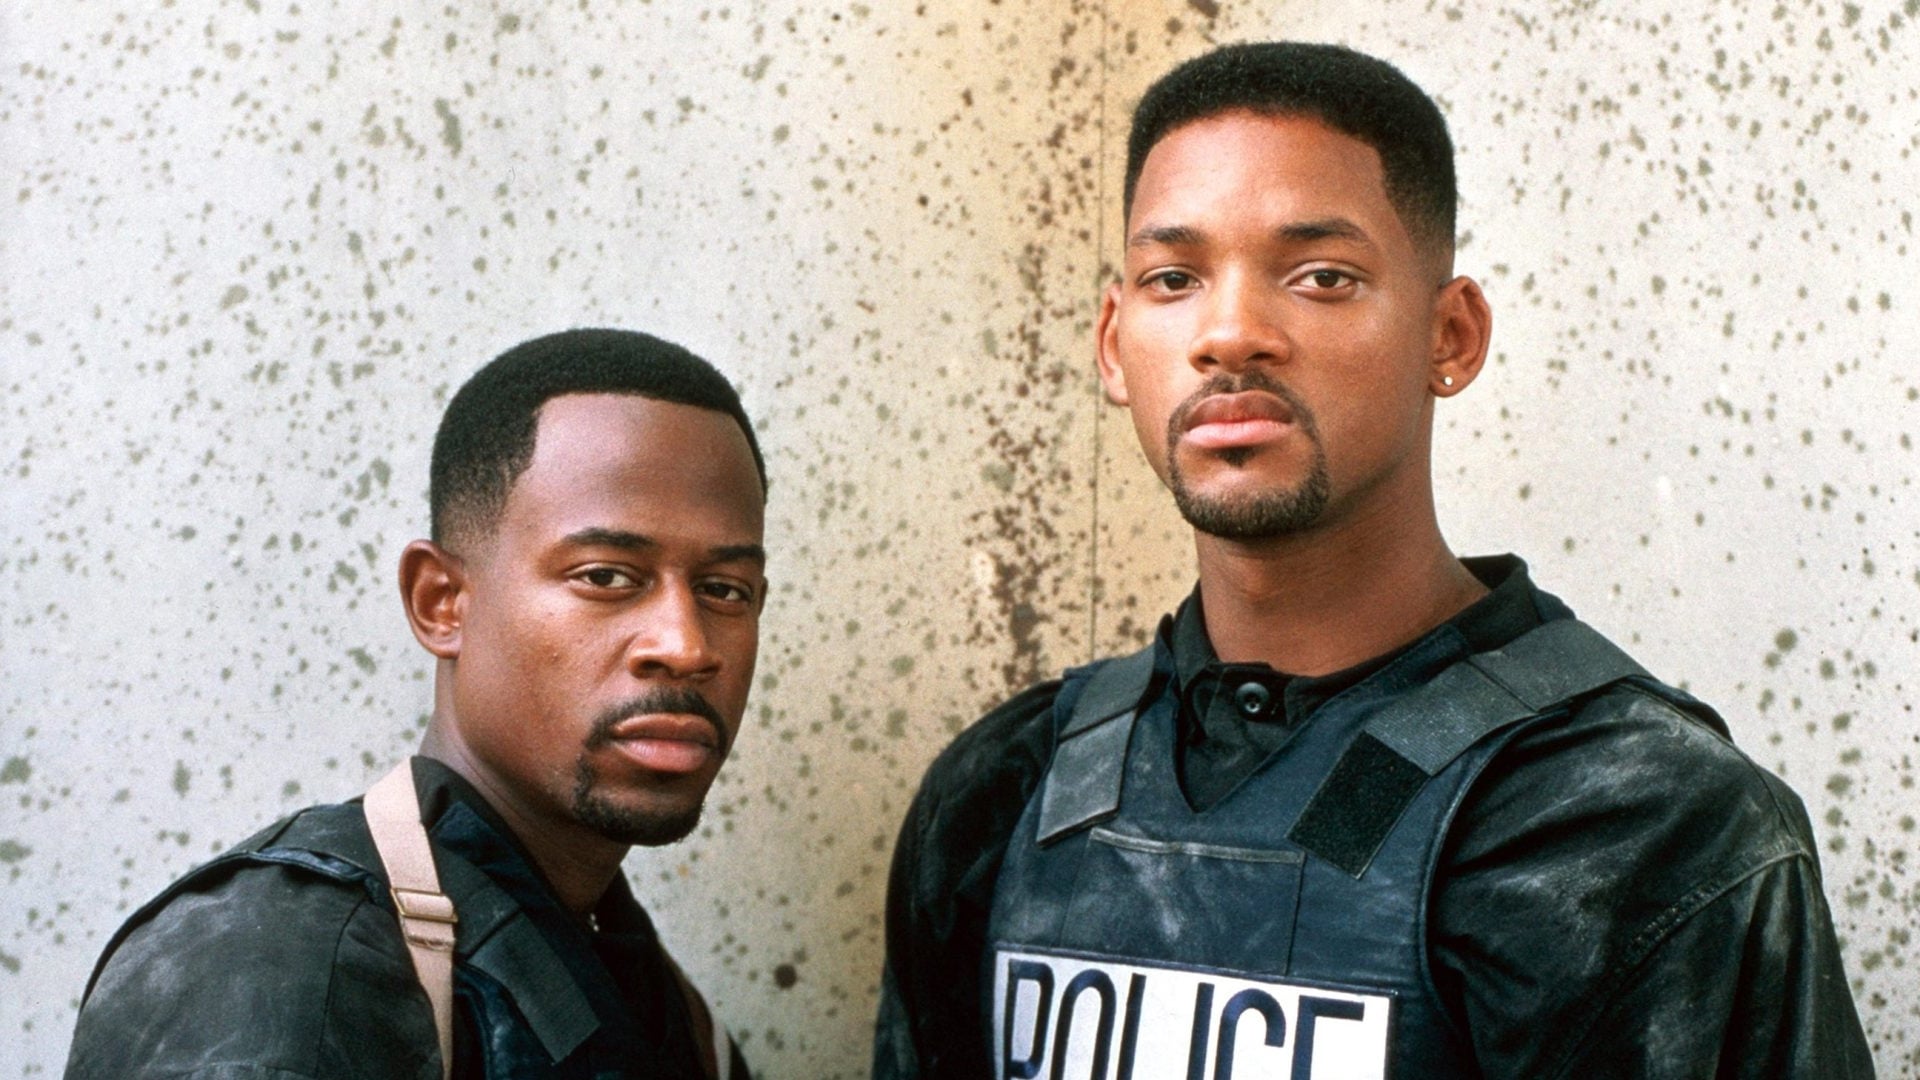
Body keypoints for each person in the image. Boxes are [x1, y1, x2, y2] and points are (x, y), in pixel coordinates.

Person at [873, 43, 1873, 1079]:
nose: (1231, 334)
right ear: (1113, 342)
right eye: (1175, 279)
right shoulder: (1004, 795)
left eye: (1322, 277)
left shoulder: (1633, 823)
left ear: (1452, 335)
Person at [67, 328, 765, 1079]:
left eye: (725, 589)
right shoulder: (278, 965)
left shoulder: (668, 1010)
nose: (686, 645)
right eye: (605, 576)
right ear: (441, 602)